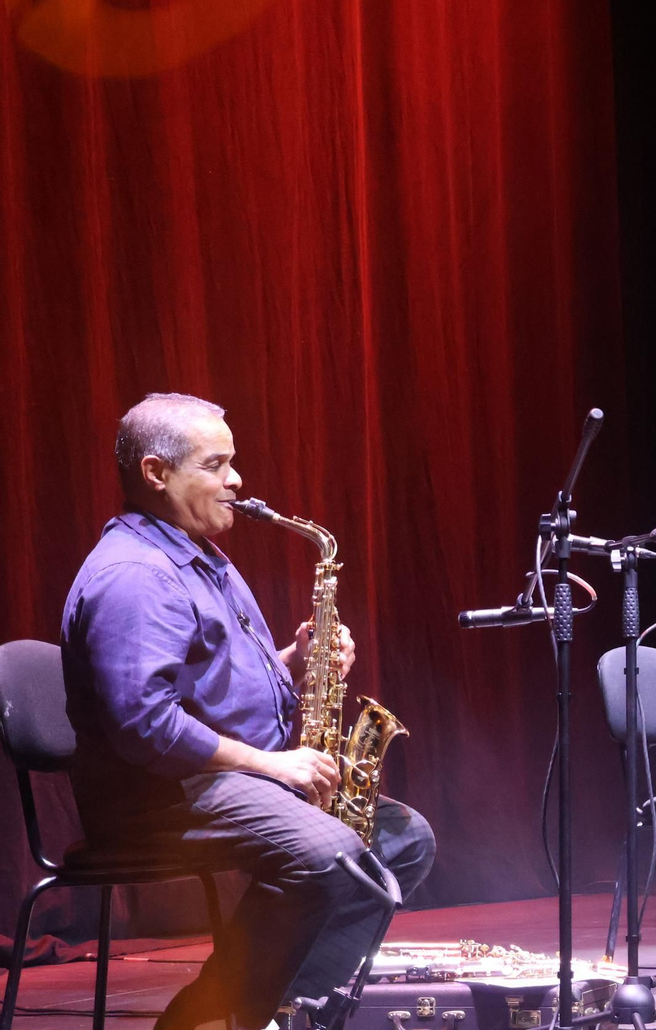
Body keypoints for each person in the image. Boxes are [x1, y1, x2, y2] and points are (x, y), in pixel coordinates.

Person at [60, 393, 436, 1030]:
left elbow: (213, 683)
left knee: (403, 839)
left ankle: (251, 1007)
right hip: (160, 794)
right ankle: (218, 1014)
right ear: (156, 473)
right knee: (329, 852)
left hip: (225, 777)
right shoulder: (135, 576)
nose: (236, 481)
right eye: (215, 465)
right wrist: (275, 765)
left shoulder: (201, 558)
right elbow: (145, 726)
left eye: (232, 463)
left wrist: (297, 658)